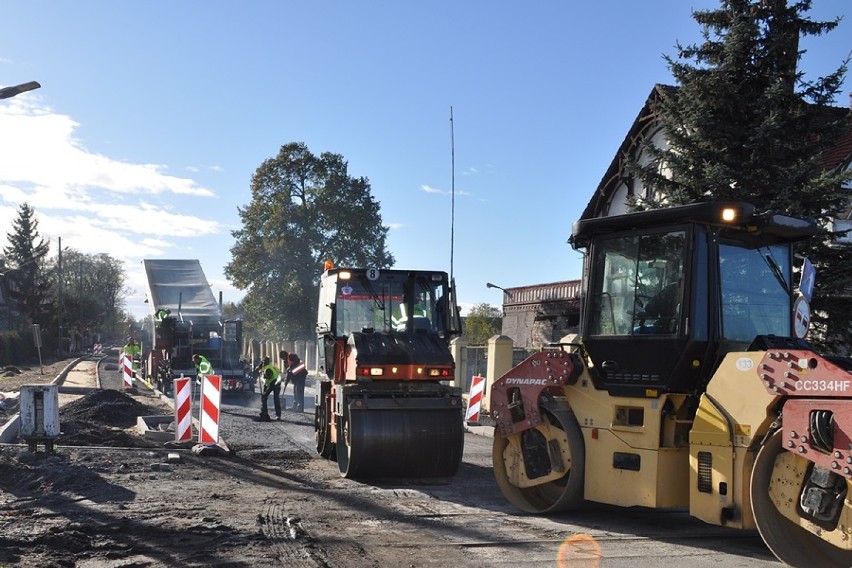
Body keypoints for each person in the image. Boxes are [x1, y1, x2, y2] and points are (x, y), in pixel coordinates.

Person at [258, 356, 282, 421]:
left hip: (276, 385)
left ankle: (278, 415)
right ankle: (264, 412)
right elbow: (260, 366)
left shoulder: (273, 378)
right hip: (267, 383)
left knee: (276, 399)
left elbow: (269, 388)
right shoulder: (265, 366)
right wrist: (257, 369)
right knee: (264, 397)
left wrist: (265, 394)